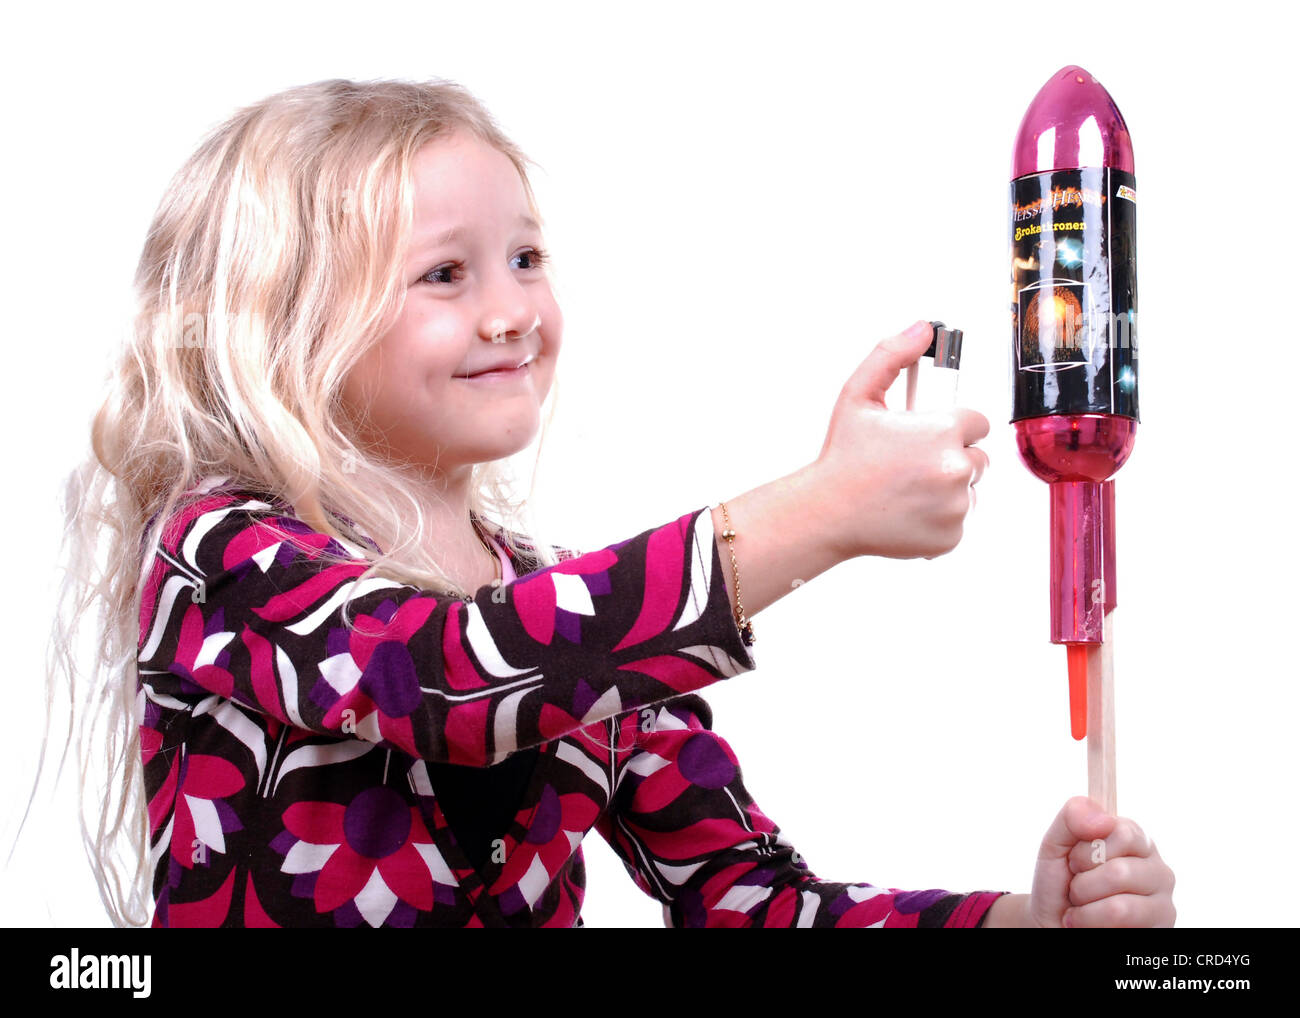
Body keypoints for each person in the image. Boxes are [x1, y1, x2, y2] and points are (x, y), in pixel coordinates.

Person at [45, 77, 1174, 928]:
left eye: (525, 258)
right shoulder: (219, 551)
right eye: (447, 273)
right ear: (279, 324)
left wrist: (1025, 923)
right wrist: (818, 512)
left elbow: (752, 903)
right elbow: (443, 676)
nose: (511, 312)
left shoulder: (573, 613)